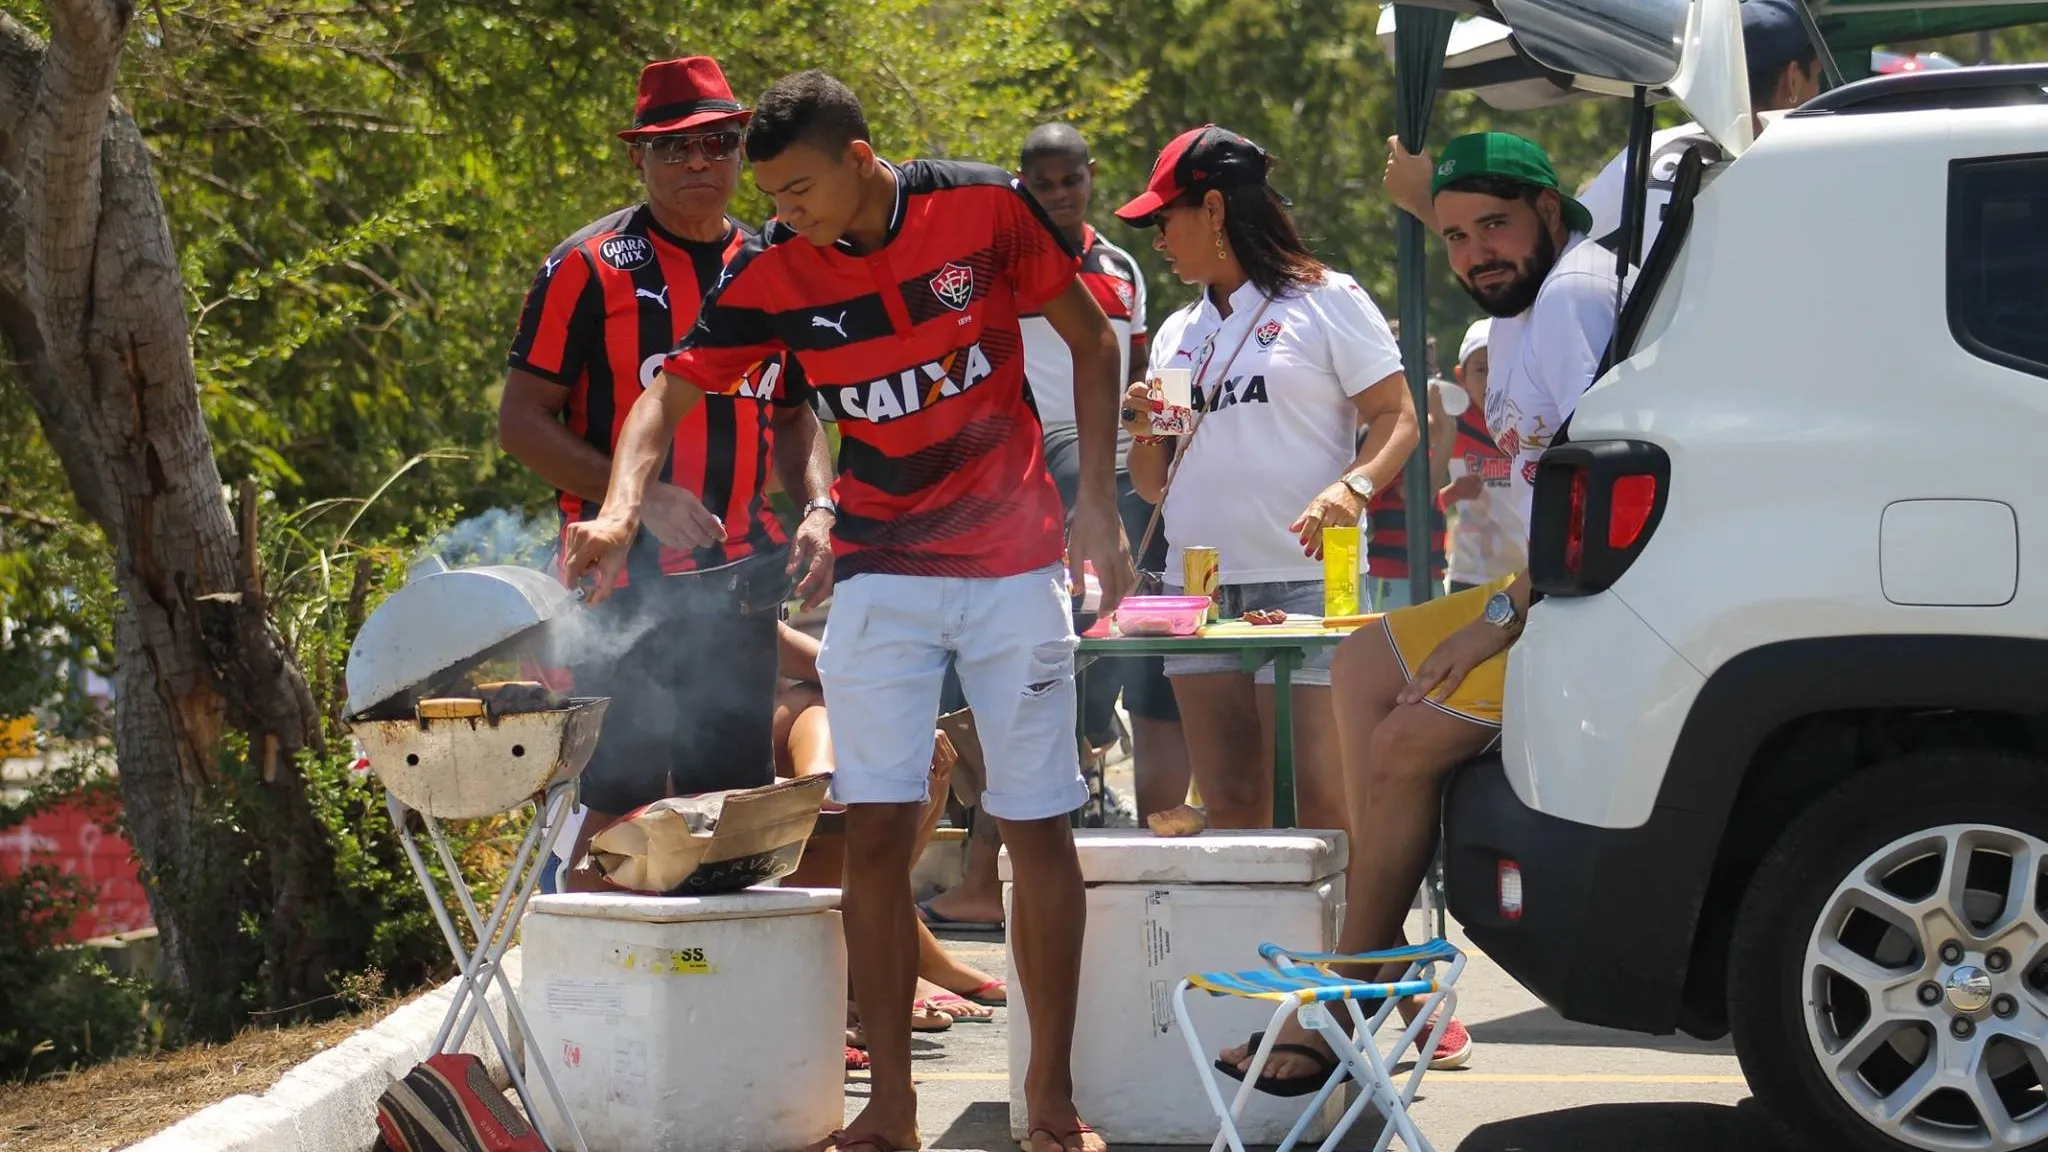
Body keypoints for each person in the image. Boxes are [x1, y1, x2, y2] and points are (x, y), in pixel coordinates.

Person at [563, 69, 1133, 1152]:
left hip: (1014, 569)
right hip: (880, 579)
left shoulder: (982, 207)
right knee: (873, 831)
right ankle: (890, 1111)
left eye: (796, 189)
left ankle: (1050, 1105)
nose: (779, 212)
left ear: (860, 161)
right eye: (769, 195)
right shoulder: (778, 276)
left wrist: (1097, 502)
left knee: (1034, 825)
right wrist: (620, 504)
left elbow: (1091, 337)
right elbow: (666, 390)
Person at [1218, 131, 1628, 1090]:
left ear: (1553, 217)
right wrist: (1431, 199)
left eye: (1495, 226)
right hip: (1535, 582)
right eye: (1453, 236)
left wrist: (1505, 616)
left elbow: (1599, 493)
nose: (1474, 251)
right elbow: (1492, 232)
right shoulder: (1531, 290)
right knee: (1363, 663)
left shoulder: (1572, 297)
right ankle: (1385, 939)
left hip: (1588, 590)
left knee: (1402, 742)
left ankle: (1344, 996)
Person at [499, 55, 835, 891]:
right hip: (619, 589)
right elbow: (520, 423)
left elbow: (794, 414)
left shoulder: (776, 263)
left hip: (744, 580)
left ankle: (711, 1002)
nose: (698, 165)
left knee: (731, 803)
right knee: (621, 803)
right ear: (637, 158)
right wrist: (639, 499)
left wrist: (820, 508)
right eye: (673, 149)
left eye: (718, 145)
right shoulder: (589, 268)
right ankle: (595, 1000)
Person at [1111, 124, 1418, 832]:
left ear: (1213, 210)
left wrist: (1355, 486)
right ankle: (1254, 945)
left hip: (1309, 580)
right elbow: (1155, 483)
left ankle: (1352, 942)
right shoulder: (1178, 331)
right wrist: (1143, 428)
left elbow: (1398, 415)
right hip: (1201, 588)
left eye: (1166, 219)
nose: (1158, 238)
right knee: (1230, 802)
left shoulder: (1326, 298)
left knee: (1325, 799)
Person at [1014, 121, 1191, 819]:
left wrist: (1164, 456)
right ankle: (1073, 771)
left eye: (1072, 180)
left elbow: (1151, 376)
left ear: (1091, 174)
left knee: (1135, 608)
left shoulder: (1124, 266)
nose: (1060, 195)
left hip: (1124, 458)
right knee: (1070, 615)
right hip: (1037, 460)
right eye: (1043, 183)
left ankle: (1104, 758)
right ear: (1022, 183)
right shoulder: (1004, 260)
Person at [1578, 0, 1821, 256]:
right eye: (1817, 77)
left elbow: (1571, 250)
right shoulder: (1800, 164)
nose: (1820, 91)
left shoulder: (1646, 153)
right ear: (1792, 80)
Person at [1363, 323, 1456, 611]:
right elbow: (1418, 496)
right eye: (1423, 372)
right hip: (1393, 578)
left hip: (1426, 572)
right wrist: (1448, 435)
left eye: (1433, 371)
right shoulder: (1386, 431)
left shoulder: (1419, 433)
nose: (1432, 381)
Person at [1439, 319, 1524, 593]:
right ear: (1460, 377)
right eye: (1481, 370)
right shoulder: (1450, 427)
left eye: (1500, 366)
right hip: (1470, 576)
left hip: (1527, 574)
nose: (1491, 380)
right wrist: (1452, 493)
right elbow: (1419, 502)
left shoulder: (1533, 423)